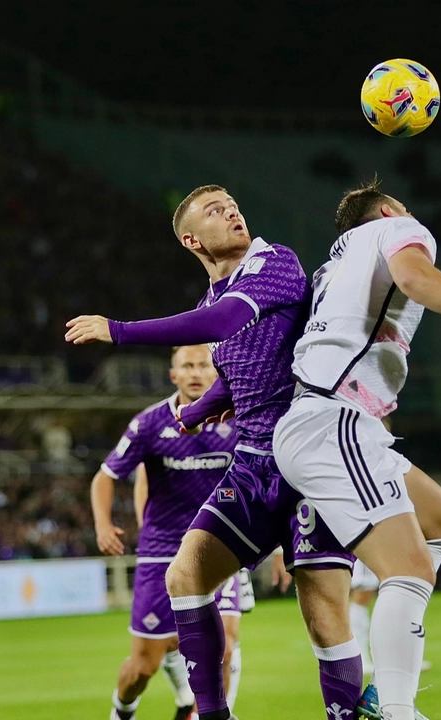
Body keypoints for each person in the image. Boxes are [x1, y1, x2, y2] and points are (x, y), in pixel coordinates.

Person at [67, 186, 358, 720]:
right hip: (255, 461)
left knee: (324, 614)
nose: (232, 210)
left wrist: (120, 330)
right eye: (214, 209)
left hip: (308, 457)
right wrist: (204, 409)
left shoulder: (275, 263)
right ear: (192, 239)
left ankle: (357, 709)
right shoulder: (211, 300)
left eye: (233, 204)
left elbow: (227, 323)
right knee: (186, 577)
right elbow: (253, 361)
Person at [274, 179, 441, 719]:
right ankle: (397, 709)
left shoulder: (330, 271)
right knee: (410, 569)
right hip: (334, 420)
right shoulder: (396, 228)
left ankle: (394, 674)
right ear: (389, 211)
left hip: (333, 421)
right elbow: (415, 277)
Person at [88, 345, 249, 720]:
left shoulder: (239, 421)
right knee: (143, 668)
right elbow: (105, 477)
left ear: (217, 373)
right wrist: (102, 524)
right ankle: (122, 709)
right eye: (186, 366)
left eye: (203, 365)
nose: (195, 372)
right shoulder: (149, 424)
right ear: (173, 375)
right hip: (161, 553)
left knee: (223, 647)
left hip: (218, 548)